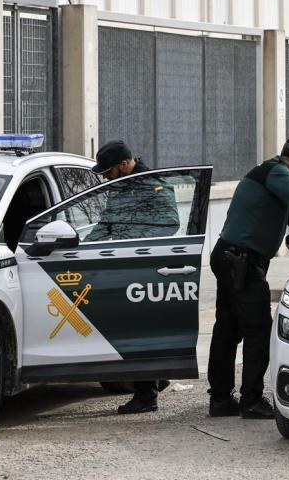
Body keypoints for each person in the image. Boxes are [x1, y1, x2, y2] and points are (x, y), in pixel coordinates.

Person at [207, 134, 289, 419]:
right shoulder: (278, 173)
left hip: (229, 256)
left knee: (228, 329)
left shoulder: (270, 174)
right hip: (242, 261)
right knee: (259, 330)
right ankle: (251, 400)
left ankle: (221, 399)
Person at [89, 140, 178, 415]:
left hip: (146, 266)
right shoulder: (122, 186)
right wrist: (83, 246)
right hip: (123, 264)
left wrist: (134, 243)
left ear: (125, 165)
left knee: (141, 330)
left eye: (108, 171)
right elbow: (107, 223)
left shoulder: (154, 185)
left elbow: (170, 223)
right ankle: (153, 380)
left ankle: (146, 394)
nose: (105, 177)